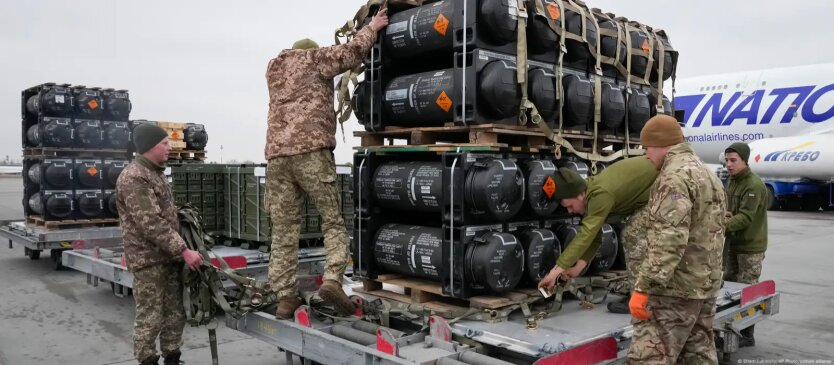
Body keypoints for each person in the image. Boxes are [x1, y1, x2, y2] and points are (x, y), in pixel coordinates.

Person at [263, 8, 389, 319]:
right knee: (332, 221)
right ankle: (332, 280)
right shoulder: (314, 59)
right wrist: (372, 27)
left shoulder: (274, 69)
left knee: (283, 231)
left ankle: (285, 299)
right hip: (311, 153)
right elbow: (350, 53)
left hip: (277, 158)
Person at [627, 115, 727, 364]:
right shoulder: (707, 173)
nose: (646, 155)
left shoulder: (674, 177)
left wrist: (644, 287)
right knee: (698, 355)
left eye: (646, 148)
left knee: (648, 357)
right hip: (705, 284)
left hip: (674, 290)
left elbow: (669, 238)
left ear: (660, 144)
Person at [117, 123, 204, 365]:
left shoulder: (154, 173)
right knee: (150, 317)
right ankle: (147, 360)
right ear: (149, 147)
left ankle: (173, 358)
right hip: (149, 261)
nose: (169, 148)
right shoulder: (134, 177)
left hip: (168, 258)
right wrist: (184, 250)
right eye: (164, 144)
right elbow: (150, 223)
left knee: (175, 314)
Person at [536, 156, 659, 315]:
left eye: (570, 206)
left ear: (580, 194)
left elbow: (586, 235)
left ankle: (642, 299)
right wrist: (576, 269)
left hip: (667, 188)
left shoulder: (600, 194)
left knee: (633, 234)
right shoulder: (592, 193)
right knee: (633, 231)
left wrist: (555, 271)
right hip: (654, 193)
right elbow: (594, 236)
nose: (570, 211)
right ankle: (642, 292)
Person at [723, 142, 768, 347]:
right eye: (727, 160)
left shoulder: (753, 185)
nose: (729, 165)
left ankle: (747, 334)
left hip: (750, 247)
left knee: (747, 292)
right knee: (729, 289)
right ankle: (731, 329)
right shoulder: (732, 181)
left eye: (733, 160)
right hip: (733, 244)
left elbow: (745, 217)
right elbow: (730, 209)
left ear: (744, 160)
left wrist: (719, 226)